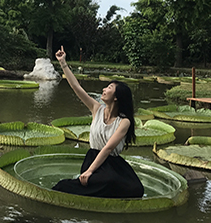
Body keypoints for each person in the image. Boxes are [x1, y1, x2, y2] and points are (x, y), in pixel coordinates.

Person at [52, 45, 144, 198]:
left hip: (113, 163)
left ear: (116, 97)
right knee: (102, 182)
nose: (104, 89)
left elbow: (108, 149)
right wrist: (63, 63)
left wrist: (89, 172)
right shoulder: (96, 108)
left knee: (135, 189)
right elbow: (76, 87)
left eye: (109, 87)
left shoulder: (124, 122)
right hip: (93, 158)